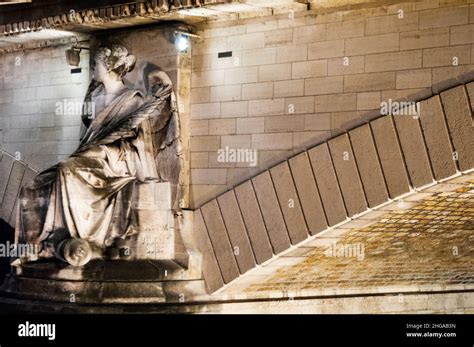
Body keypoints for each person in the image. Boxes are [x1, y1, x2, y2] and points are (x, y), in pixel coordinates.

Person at [15, 45, 182, 265]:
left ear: (108, 67)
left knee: (67, 169)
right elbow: (86, 140)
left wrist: (103, 151)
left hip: (116, 161)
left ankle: (73, 236)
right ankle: (40, 244)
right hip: (89, 157)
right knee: (34, 185)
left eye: (96, 64)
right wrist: (92, 150)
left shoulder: (133, 99)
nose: (93, 68)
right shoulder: (94, 97)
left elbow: (138, 146)